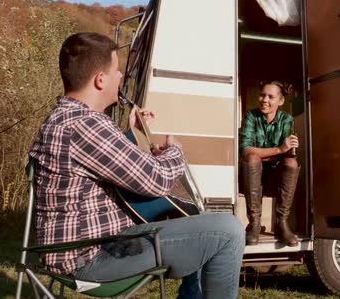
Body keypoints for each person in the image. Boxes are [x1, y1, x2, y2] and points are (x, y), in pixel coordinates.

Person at [29, 32, 244, 299]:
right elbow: (157, 180)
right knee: (228, 231)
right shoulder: (84, 125)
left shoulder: (68, 118)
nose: (121, 77)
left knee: (202, 223)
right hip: (93, 256)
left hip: (93, 246)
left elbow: (106, 164)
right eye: (117, 71)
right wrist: (175, 150)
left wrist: (131, 134)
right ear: (100, 80)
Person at [239, 81, 300, 246]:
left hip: (274, 177)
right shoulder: (250, 116)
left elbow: (287, 153)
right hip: (251, 176)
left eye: (270, 96)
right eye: (262, 95)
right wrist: (279, 149)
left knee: (292, 163)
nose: (264, 99)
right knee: (252, 159)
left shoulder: (286, 119)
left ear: (280, 101)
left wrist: (288, 148)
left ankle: (282, 222)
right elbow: (245, 150)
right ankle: (254, 223)